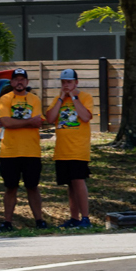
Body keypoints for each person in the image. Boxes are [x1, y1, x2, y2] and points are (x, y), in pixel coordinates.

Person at [0, 67, 47, 231]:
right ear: (11, 82)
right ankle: (7, 222)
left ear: (27, 82)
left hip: (31, 151)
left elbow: (38, 122)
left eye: (22, 79)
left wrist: (15, 123)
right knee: (11, 187)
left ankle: (39, 221)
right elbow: (6, 122)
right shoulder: (5, 99)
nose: (19, 82)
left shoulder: (34, 99)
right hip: (10, 152)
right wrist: (28, 122)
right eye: (16, 79)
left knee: (32, 186)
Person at [46, 67, 94, 228]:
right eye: (63, 82)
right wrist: (61, 99)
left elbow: (86, 117)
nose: (66, 85)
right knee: (70, 185)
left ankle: (85, 217)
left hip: (78, 149)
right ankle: (74, 218)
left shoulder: (85, 97)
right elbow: (50, 118)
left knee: (78, 181)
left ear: (76, 82)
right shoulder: (58, 99)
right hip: (62, 150)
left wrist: (74, 98)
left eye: (69, 82)